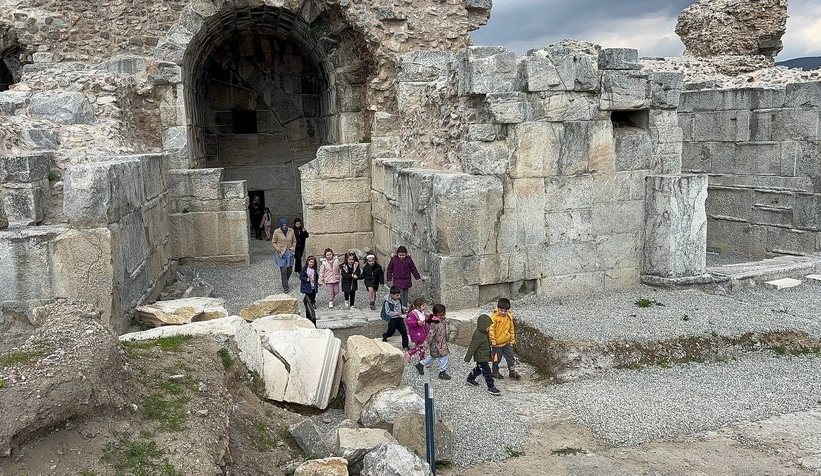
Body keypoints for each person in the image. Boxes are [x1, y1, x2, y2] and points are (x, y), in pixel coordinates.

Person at [464, 313, 501, 396]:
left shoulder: (484, 333)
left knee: (478, 369)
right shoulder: (478, 335)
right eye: (488, 326)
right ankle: (491, 387)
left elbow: (486, 342)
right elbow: (472, 347)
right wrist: (467, 358)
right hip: (481, 357)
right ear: (483, 325)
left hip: (484, 355)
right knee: (487, 372)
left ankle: (470, 379)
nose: (489, 328)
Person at [416, 304, 451, 380]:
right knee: (444, 356)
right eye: (444, 312)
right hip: (438, 344)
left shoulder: (441, 320)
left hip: (441, 342)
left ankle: (421, 364)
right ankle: (442, 372)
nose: (445, 313)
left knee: (433, 356)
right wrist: (425, 345)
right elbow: (430, 335)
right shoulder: (435, 323)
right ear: (440, 313)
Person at [489, 297, 521, 380]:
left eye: (505, 311)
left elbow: (511, 329)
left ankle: (512, 371)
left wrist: (512, 340)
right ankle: (495, 372)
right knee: (496, 359)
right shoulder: (494, 317)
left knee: (510, 357)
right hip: (497, 344)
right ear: (498, 308)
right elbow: (491, 329)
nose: (503, 312)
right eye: (501, 310)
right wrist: (492, 340)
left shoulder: (509, 317)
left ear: (508, 310)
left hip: (506, 342)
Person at [272, 217, 296, 294]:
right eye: (283, 225)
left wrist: (293, 247)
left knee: (289, 270)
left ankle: (285, 280)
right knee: (283, 270)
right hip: (281, 253)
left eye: (286, 225)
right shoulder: (276, 231)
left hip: (289, 252)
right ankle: (285, 287)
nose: (285, 226)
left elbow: (294, 241)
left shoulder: (291, 231)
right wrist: (277, 248)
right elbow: (274, 242)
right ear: (281, 225)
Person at [405, 298, 429, 363]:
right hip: (417, 333)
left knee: (421, 346)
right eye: (423, 306)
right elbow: (408, 322)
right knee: (421, 346)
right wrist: (416, 322)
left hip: (422, 332)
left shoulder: (422, 312)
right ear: (418, 307)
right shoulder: (413, 314)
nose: (424, 307)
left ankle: (421, 358)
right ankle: (410, 353)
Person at [300, 255, 319, 325]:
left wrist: (318, 281)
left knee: (313, 295)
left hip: (313, 285)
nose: (311, 264)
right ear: (308, 262)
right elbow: (301, 277)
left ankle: (313, 302)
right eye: (310, 262)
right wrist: (306, 279)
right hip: (307, 285)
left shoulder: (314, 270)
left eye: (313, 263)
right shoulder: (304, 269)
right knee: (308, 295)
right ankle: (308, 302)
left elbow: (316, 276)